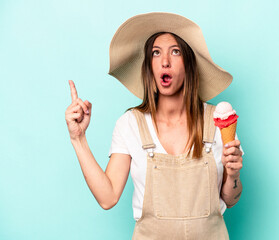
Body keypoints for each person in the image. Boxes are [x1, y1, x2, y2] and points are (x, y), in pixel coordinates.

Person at [65, 12, 244, 239]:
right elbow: (107, 197)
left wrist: (234, 173)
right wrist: (78, 139)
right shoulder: (129, 124)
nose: (165, 61)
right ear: (149, 66)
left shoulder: (217, 120)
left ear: (189, 64)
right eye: (156, 53)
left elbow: (231, 198)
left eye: (175, 52)